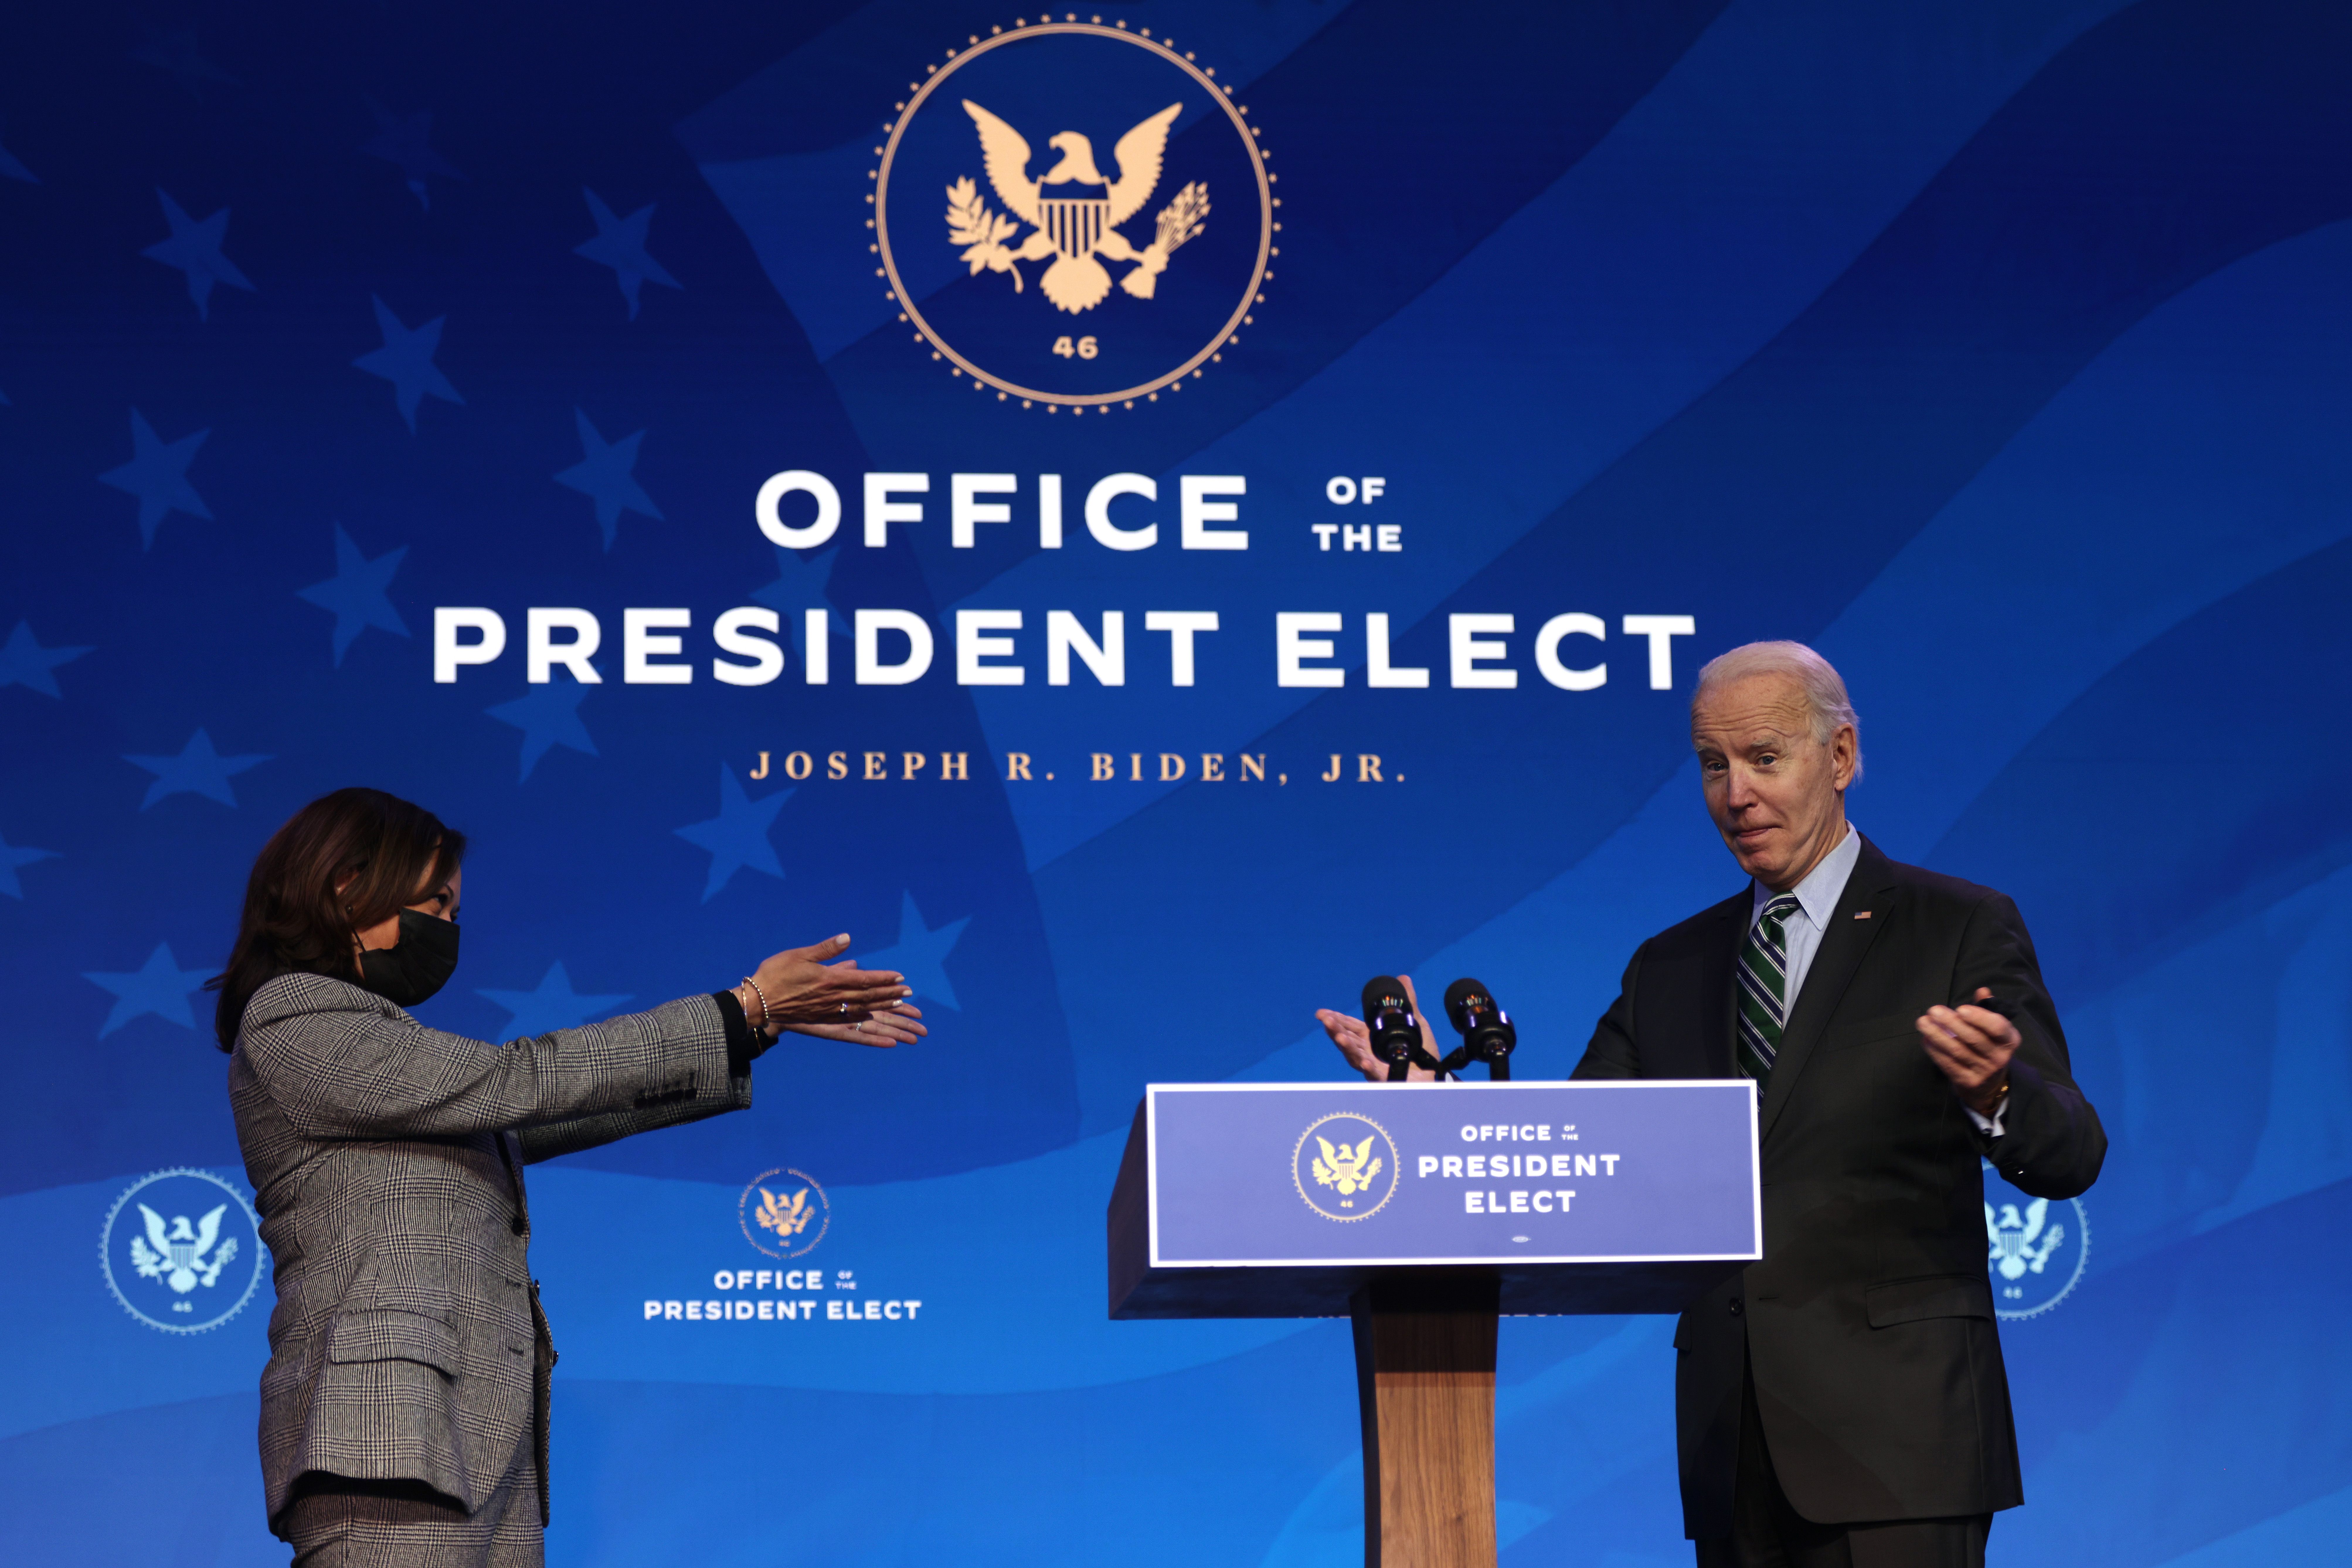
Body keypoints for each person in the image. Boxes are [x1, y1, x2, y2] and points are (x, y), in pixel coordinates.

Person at [1320, 641, 2105, 1568]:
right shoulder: (1672, 966)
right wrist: (1433, 1097)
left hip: (1903, 1443)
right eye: (1713, 765)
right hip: (1735, 1450)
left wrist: (1994, 1089)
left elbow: (2071, 1153)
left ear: (1841, 756)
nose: (1737, 794)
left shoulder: (1955, 926)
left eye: (1765, 759)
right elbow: (1573, 1156)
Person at [209, 786, 925, 1567]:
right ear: (348, 884)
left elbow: (531, 1118)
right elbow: (517, 1082)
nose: (448, 926)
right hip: (388, 1444)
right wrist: (737, 1008)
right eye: (436, 902)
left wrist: (756, 1028)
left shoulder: (388, 1055)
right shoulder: (294, 1015)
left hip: (479, 1450)